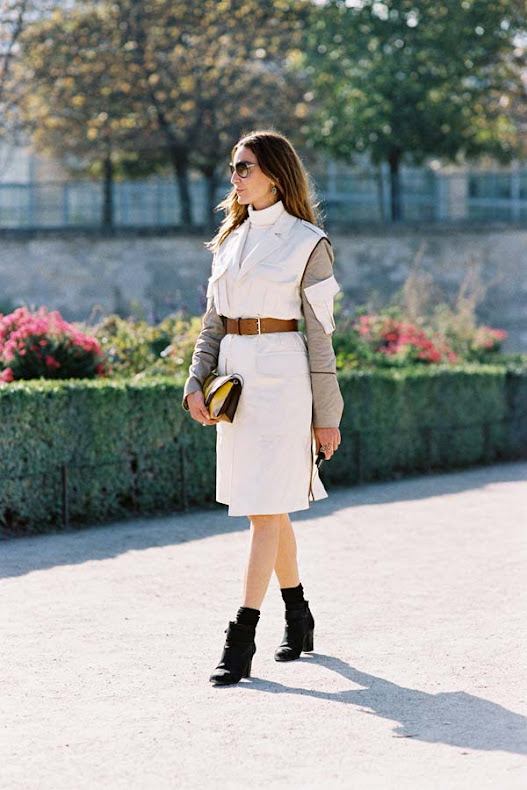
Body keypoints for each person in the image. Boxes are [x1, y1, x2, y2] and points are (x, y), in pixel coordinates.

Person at [182, 129, 344, 685]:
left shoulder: (309, 243)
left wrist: (328, 416)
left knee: (265, 507)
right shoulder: (229, 239)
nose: (235, 176)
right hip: (234, 383)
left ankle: (241, 636)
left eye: (245, 166)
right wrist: (195, 379)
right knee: (266, 509)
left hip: (284, 384)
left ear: (275, 174)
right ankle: (298, 615)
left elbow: (320, 338)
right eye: (233, 166)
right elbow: (213, 323)